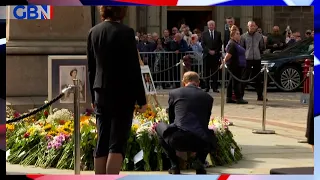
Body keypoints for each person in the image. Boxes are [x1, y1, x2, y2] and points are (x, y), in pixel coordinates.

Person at [87, 6, 147, 174]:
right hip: (122, 92)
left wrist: (93, 96)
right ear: (122, 12)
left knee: (102, 140)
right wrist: (141, 100)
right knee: (117, 143)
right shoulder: (126, 32)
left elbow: (91, 68)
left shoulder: (93, 32)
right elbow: (133, 68)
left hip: (100, 91)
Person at [155, 71, 216, 175]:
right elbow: (205, 121)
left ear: (184, 82)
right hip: (201, 141)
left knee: (159, 127)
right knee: (210, 134)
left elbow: (172, 118)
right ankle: (199, 162)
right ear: (198, 83)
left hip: (178, 139)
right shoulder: (208, 97)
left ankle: (174, 165)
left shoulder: (174, 93)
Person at [240, 21, 265, 101]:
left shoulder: (259, 36)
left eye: (253, 26)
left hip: (257, 59)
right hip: (247, 59)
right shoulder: (243, 36)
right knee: (244, 78)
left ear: (256, 27)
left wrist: (258, 53)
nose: (252, 27)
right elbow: (242, 48)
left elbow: (262, 47)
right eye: (251, 26)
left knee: (258, 78)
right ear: (248, 27)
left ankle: (260, 95)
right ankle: (241, 96)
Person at [223, 26, 248, 104]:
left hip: (238, 65)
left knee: (231, 81)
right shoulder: (232, 43)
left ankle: (229, 97)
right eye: (237, 34)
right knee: (236, 82)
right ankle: (239, 98)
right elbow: (228, 55)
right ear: (233, 35)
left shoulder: (236, 43)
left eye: (239, 34)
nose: (239, 35)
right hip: (234, 65)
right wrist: (223, 61)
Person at [201, 20, 222, 93]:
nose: (211, 26)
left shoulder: (218, 33)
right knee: (206, 72)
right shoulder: (204, 34)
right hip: (207, 55)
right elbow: (203, 44)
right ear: (208, 26)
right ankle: (207, 87)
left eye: (212, 25)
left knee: (215, 72)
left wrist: (215, 51)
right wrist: (209, 51)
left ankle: (215, 87)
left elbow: (220, 44)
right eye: (210, 25)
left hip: (215, 56)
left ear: (214, 25)